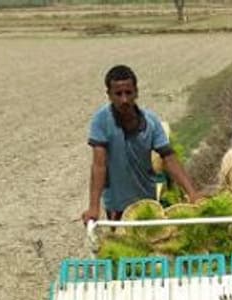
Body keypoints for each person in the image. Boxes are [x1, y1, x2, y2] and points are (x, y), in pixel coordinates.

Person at [80, 65, 199, 224]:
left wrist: (192, 193)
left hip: (147, 201)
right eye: (118, 94)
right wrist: (93, 207)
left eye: (128, 93)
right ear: (109, 95)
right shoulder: (101, 121)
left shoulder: (151, 121)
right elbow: (99, 165)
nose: (124, 99)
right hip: (116, 204)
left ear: (136, 92)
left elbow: (168, 158)